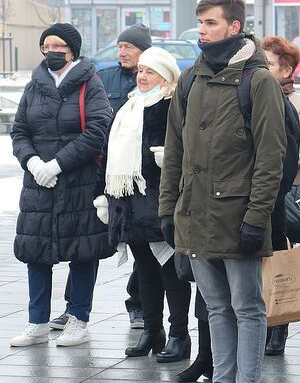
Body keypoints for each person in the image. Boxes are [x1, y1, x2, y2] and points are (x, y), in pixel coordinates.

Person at [161, 0, 286, 383]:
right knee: (215, 306)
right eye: (200, 23)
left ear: (234, 27)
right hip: (194, 214)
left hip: (237, 216)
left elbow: (271, 159)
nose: (202, 30)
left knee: (247, 306)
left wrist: (256, 219)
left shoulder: (259, 81)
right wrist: (167, 208)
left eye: (211, 23)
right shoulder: (191, 78)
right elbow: (174, 148)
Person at [9, 23, 113, 348]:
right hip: (38, 184)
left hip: (78, 183)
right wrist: (33, 162)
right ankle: (37, 321)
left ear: (72, 50)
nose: (52, 51)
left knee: (82, 252)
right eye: (47, 45)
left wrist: (58, 163)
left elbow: (97, 130)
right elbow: (19, 131)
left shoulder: (90, 83)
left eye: (59, 46)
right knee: (35, 252)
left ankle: (78, 318)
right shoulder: (34, 86)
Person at [47, 23, 153, 332]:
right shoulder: (103, 79)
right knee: (86, 242)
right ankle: (73, 308)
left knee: (142, 243)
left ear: (144, 51)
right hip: (102, 172)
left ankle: (139, 305)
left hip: (140, 176)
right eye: (120, 46)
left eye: (129, 47)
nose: (122, 52)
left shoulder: (154, 81)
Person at [96, 47, 192, 362]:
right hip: (128, 203)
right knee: (145, 270)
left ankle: (179, 335)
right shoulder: (129, 106)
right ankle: (152, 330)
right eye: (140, 71)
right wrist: (102, 194)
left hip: (159, 202)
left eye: (150, 71)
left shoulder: (171, 106)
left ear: (165, 76)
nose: (142, 76)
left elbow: (183, 153)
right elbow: (109, 155)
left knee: (171, 271)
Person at [260, 35, 300, 356]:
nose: (263, 70)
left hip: (282, 194)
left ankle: (279, 326)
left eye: (269, 64)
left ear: (286, 70)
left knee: (279, 262)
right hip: (253, 198)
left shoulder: (299, 105)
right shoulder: (253, 97)